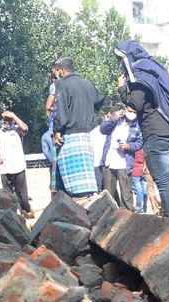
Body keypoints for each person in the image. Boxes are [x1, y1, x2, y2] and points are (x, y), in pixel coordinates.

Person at [115, 40, 169, 222]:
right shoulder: (157, 69)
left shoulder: (139, 75)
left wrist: (122, 88)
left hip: (155, 131)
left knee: (164, 181)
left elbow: (136, 103)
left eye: (120, 59)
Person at [52, 57, 104, 197]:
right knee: (87, 184)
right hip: (87, 137)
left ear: (62, 70)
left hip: (70, 136)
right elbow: (100, 100)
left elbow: (60, 110)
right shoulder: (87, 84)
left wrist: (56, 130)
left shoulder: (62, 84)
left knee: (72, 188)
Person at [0, 110, 34, 219]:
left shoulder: (17, 130)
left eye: (8, 120)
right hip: (5, 168)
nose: (6, 121)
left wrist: (13, 115)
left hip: (18, 166)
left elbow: (25, 128)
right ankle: (12, 214)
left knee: (21, 192)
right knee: (8, 193)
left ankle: (26, 211)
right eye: (4, 120)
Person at [100, 105, 143, 211]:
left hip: (125, 162)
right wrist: (112, 119)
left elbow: (139, 143)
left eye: (134, 112)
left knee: (126, 194)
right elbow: (103, 129)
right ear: (125, 109)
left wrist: (128, 146)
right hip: (109, 161)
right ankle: (109, 216)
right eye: (130, 111)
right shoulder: (116, 119)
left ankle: (128, 216)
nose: (132, 114)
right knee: (109, 193)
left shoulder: (137, 125)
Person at [43, 72, 59, 195]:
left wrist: (49, 108)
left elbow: (48, 105)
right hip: (57, 129)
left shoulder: (55, 86)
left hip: (55, 130)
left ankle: (54, 190)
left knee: (54, 163)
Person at [132, 149, 148, 213]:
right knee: (144, 192)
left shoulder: (133, 147)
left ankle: (140, 210)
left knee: (139, 192)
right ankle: (144, 209)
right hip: (142, 170)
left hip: (135, 171)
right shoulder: (143, 147)